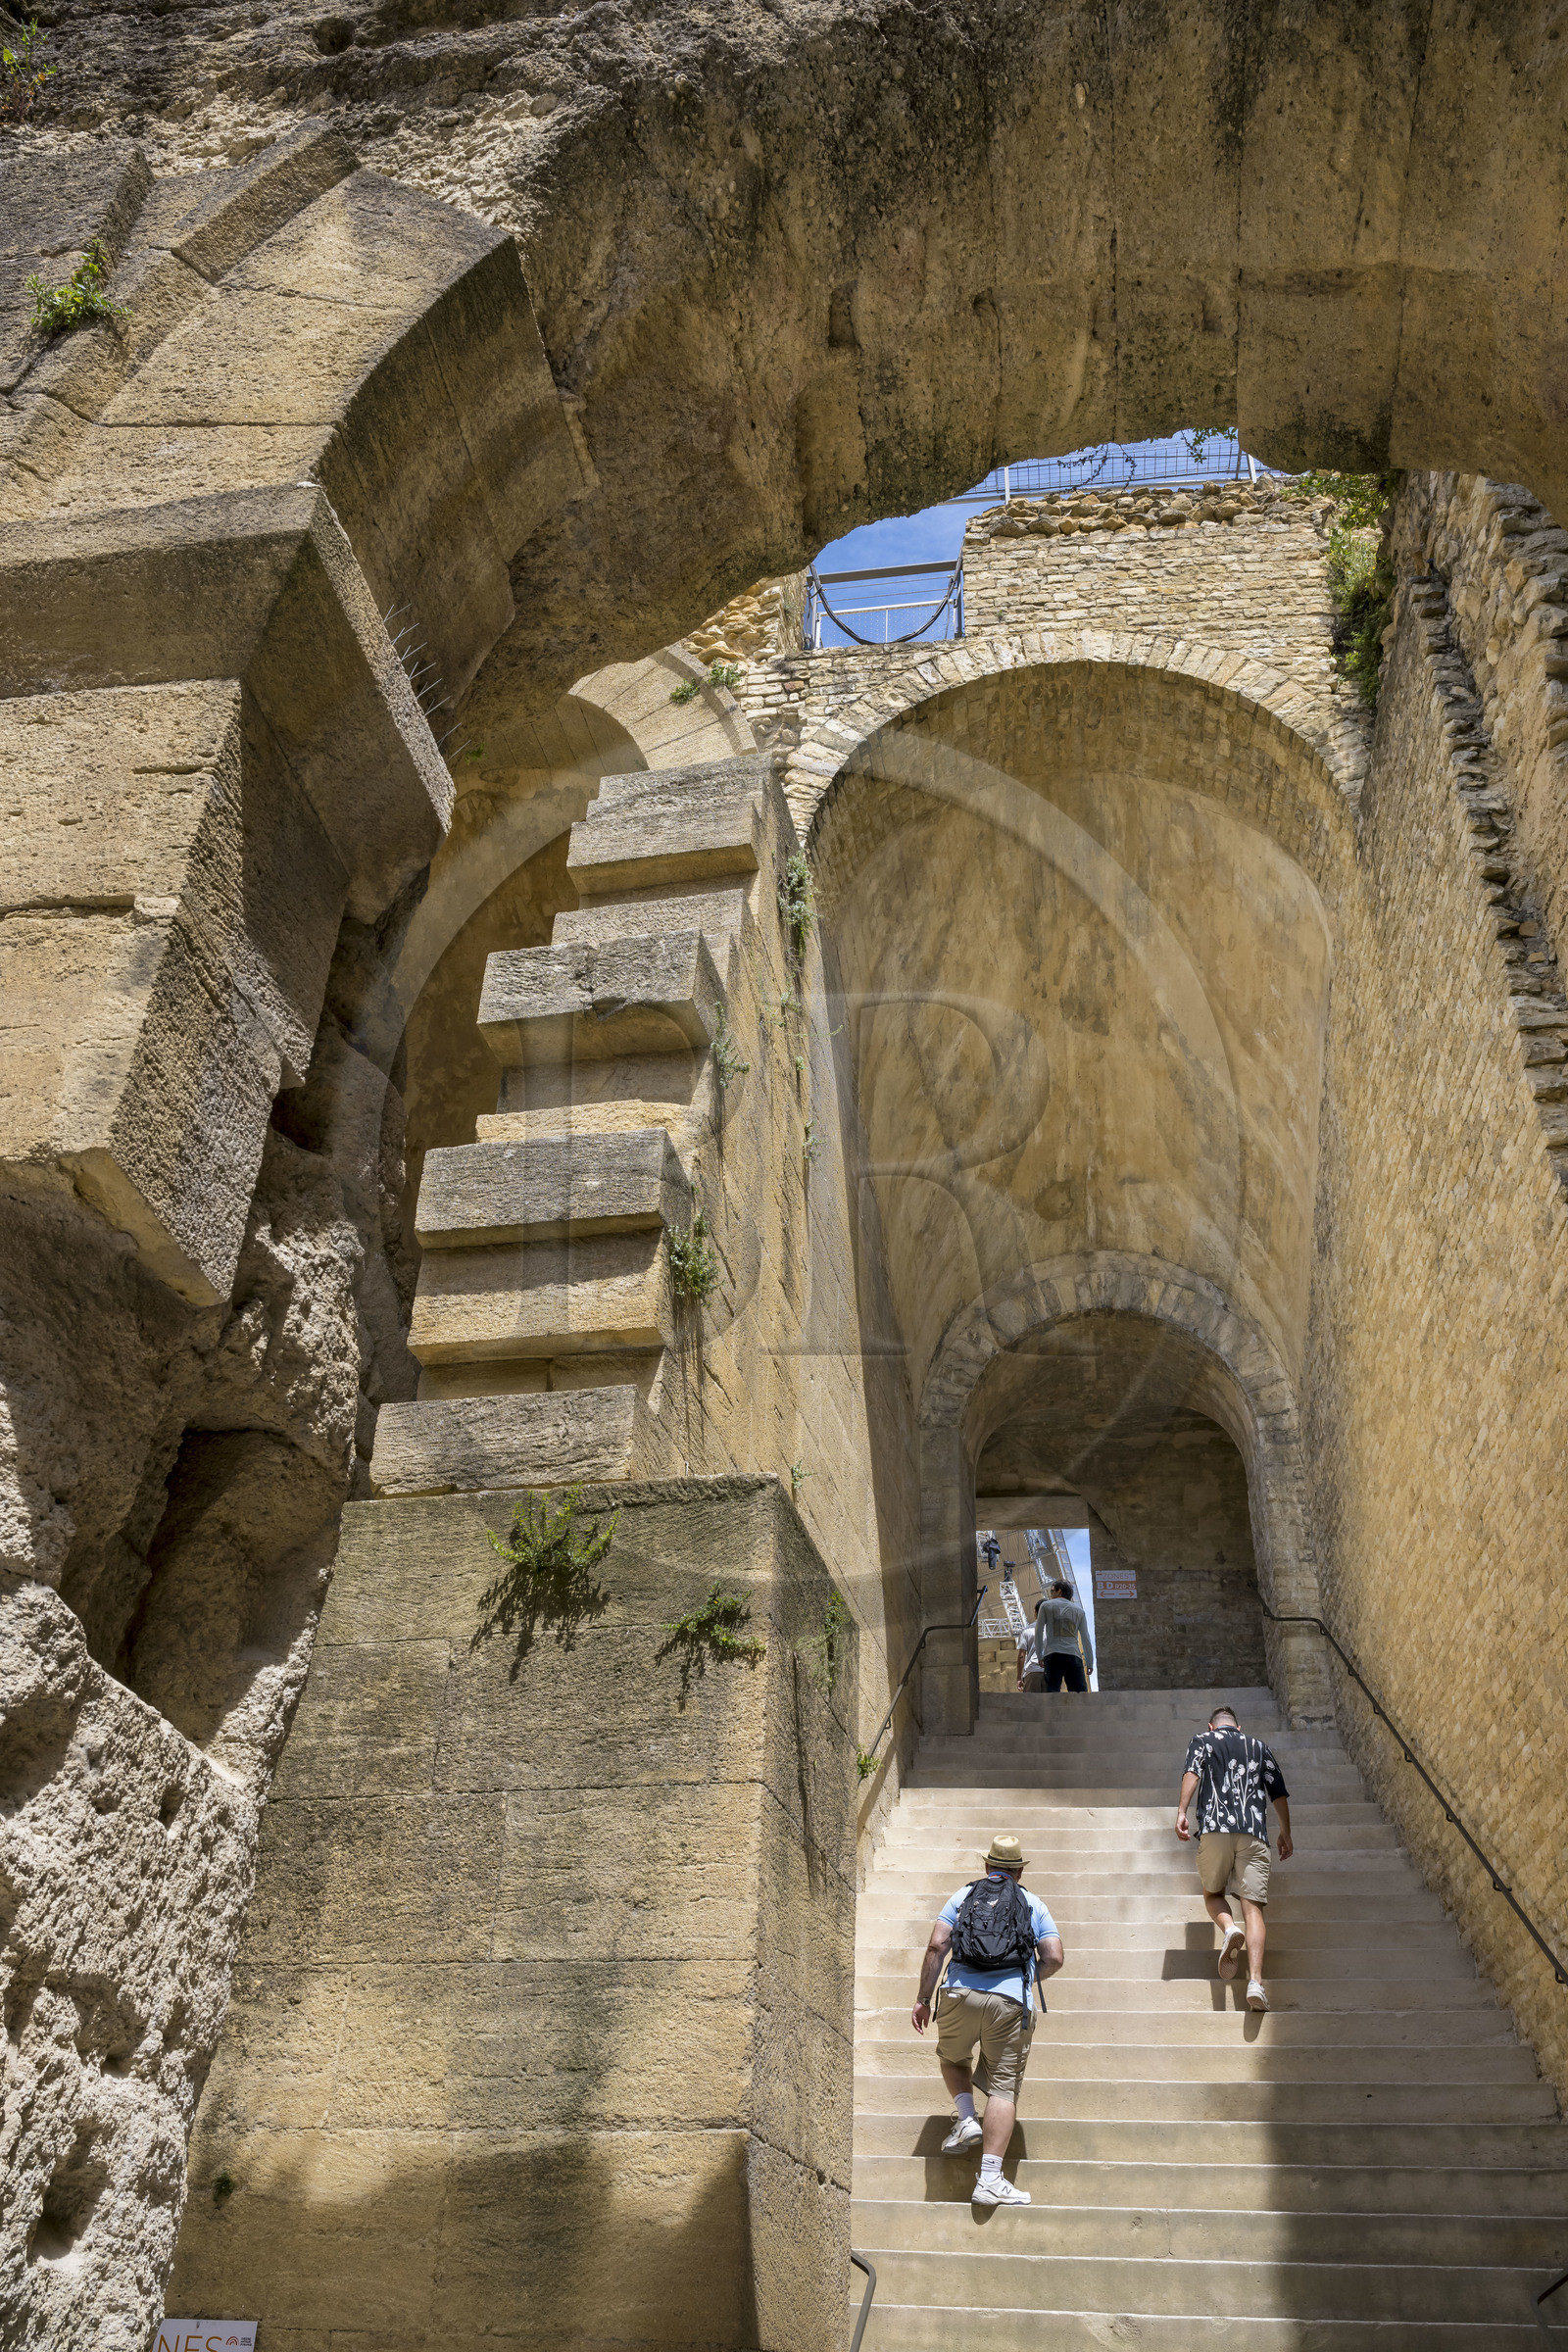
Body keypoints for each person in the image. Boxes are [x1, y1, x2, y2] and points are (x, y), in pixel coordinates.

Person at [910, 1832, 1064, 2206]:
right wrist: (1026, 1977)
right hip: (1010, 2004)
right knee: (1002, 2087)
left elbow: (937, 1945)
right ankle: (990, 2179)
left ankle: (965, 2118)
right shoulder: (1032, 1902)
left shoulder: (962, 1896)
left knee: (952, 2056)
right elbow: (1055, 1956)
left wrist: (922, 1999)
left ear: (987, 1866)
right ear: (1019, 1872)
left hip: (958, 1993)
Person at [1175, 1702, 1294, 2012]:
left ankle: (1229, 1929)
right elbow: (1277, 1791)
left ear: (1213, 1726)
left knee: (1213, 1893)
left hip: (1215, 1828)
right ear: (1238, 1728)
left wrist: (1181, 1811)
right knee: (1253, 1908)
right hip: (1254, 1833)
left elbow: (1192, 1772)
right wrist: (1285, 1832)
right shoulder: (1258, 1746)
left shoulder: (1203, 1740)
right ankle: (1256, 1982)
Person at [1020, 1580, 1094, 1692]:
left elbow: (1039, 1631)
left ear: (1059, 1591)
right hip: (1073, 1655)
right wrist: (1089, 1662)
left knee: (1053, 1692)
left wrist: (1040, 1655)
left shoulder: (1046, 1606)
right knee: (1079, 1693)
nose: (1051, 1594)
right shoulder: (1080, 1611)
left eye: (1052, 1591)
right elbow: (1085, 1638)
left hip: (1053, 1655)